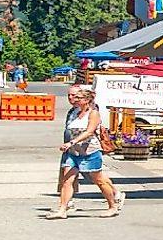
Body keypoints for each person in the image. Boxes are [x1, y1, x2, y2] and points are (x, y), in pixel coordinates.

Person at [47, 83, 120, 220]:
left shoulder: (93, 113)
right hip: (73, 152)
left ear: (86, 100)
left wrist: (72, 142)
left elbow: (89, 131)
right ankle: (62, 209)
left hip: (89, 151)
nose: (74, 99)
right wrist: (69, 144)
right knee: (67, 180)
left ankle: (112, 205)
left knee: (98, 180)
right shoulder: (74, 113)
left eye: (78, 98)